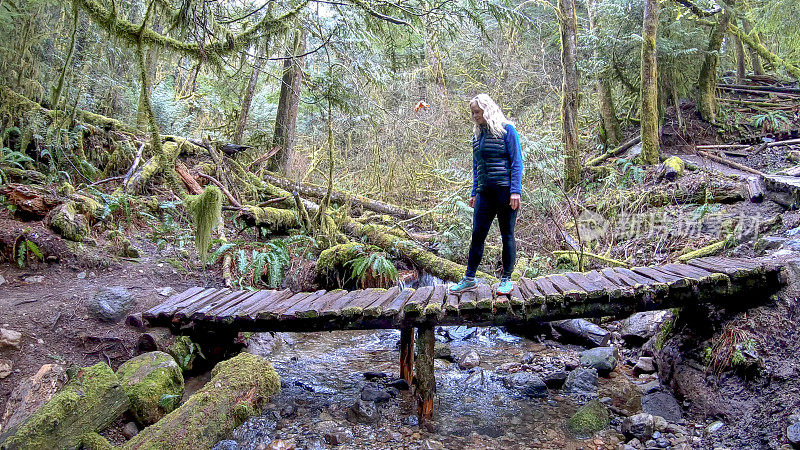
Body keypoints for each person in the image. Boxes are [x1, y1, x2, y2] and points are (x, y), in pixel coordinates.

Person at [449, 94, 523, 295]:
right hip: (484, 193)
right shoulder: (477, 135)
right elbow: (477, 166)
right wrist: (474, 191)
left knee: (507, 234)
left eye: (477, 112)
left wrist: (515, 191)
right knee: (477, 235)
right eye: (472, 112)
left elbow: (517, 162)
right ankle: (469, 278)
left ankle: (506, 280)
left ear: (487, 110)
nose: (474, 116)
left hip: (505, 193)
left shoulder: (508, 130)